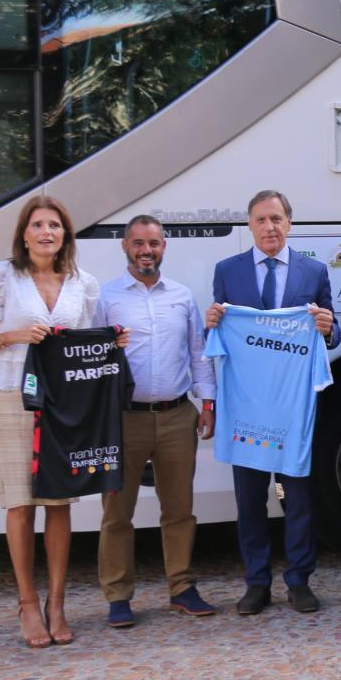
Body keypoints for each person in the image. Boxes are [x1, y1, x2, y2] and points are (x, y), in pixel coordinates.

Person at [0, 197, 110, 647]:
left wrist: (113, 343)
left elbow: (82, 342)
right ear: (24, 234)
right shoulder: (2, 276)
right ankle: (28, 604)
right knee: (20, 503)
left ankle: (57, 604)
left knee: (58, 502)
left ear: (66, 234)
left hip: (63, 400)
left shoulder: (82, 283)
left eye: (55, 225)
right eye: (38, 225)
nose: (46, 231)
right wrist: (13, 335)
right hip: (14, 396)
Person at [206, 189, 339, 616]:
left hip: (292, 408)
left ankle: (299, 580)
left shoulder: (313, 271)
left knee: (299, 495)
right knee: (248, 499)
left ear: (290, 223)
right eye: (262, 219)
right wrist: (212, 322)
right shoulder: (227, 271)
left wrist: (325, 325)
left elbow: (330, 334)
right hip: (245, 407)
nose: (270, 227)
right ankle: (256, 583)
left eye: (277, 219)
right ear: (249, 224)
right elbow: (219, 334)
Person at [93, 215, 216, 629]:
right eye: (139, 243)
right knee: (116, 512)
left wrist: (208, 404)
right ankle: (117, 595)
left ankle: (181, 588)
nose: (147, 250)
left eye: (155, 243)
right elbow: (90, 358)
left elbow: (198, 353)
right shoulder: (106, 298)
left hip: (177, 415)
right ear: (125, 247)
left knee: (180, 510)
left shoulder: (181, 296)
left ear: (164, 247)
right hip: (122, 419)